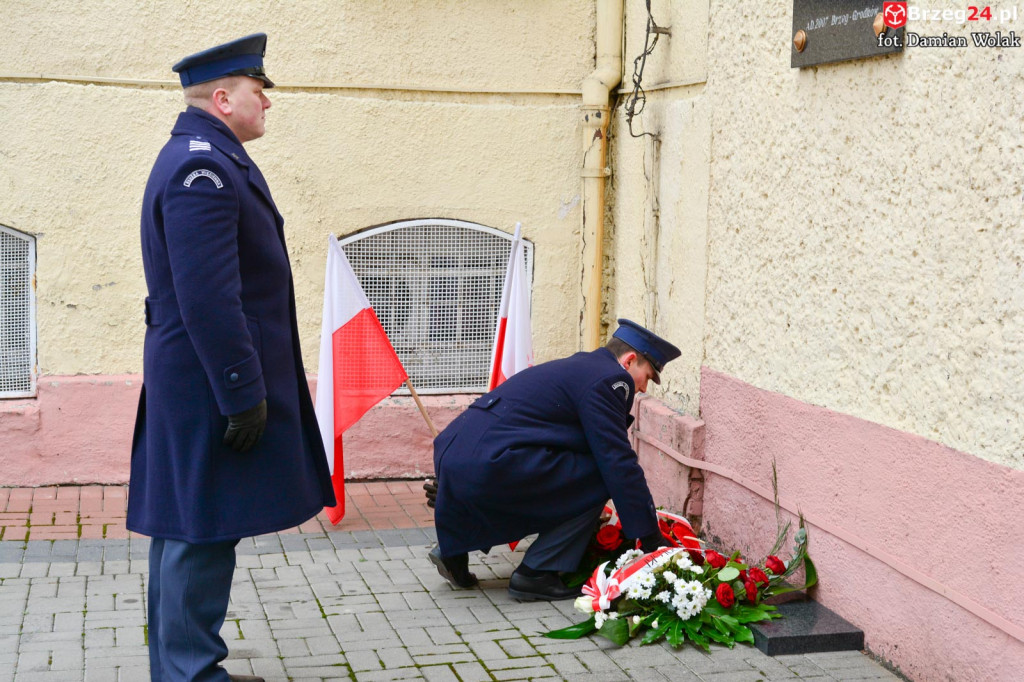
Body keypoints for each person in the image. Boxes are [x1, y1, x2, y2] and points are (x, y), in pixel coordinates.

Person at [127, 34, 334, 682]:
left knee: (188, 526)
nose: (267, 101)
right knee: (200, 531)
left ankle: (179, 667)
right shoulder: (203, 169)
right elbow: (210, 299)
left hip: (196, 378)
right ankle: (190, 672)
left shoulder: (209, 157)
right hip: (208, 382)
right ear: (222, 98)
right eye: (256, 89)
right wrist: (243, 392)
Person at [426, 319, 680, 600]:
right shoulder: (612, 380)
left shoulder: (585, 366)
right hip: (490, 463)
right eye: (647, 376)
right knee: (600, 476)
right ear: (630, 360)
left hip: (461, 454)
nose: (644, 388)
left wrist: (457, 486)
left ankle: (452, 548)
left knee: (564, 472)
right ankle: (537, 574)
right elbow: (617, 462)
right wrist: (651, 539)